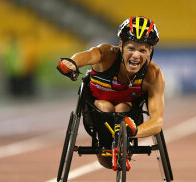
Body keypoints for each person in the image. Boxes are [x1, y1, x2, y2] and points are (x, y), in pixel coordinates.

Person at [57, 16, 165, 168]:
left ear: (150, 51)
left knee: (122, 107)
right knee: (105, 106)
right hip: (96, 115)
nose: (136, 55)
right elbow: (88, 55)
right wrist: (73, 63)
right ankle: (107, 145)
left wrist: (133, 131)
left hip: (129, 119)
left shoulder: (153, 75)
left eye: (142, 50)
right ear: (121, 45)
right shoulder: (107, 54)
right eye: (131, 48)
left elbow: (157, 122)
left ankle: (121, 145)